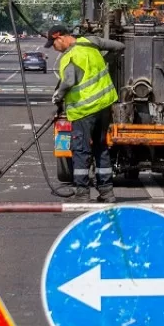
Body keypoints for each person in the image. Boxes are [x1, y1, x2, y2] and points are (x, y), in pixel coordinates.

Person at [46, 25, 124, 203]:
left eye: (53, 43)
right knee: (101, 147)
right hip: (104, 106)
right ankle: (107, 192)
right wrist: (106, 62)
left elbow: (69, 82)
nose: (53, 48)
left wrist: (57, 99)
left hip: (84, 110)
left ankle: (82, 192)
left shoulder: (70, 57)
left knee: (81, 150)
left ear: (61, 38)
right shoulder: (91, 42)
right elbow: (119, 47)